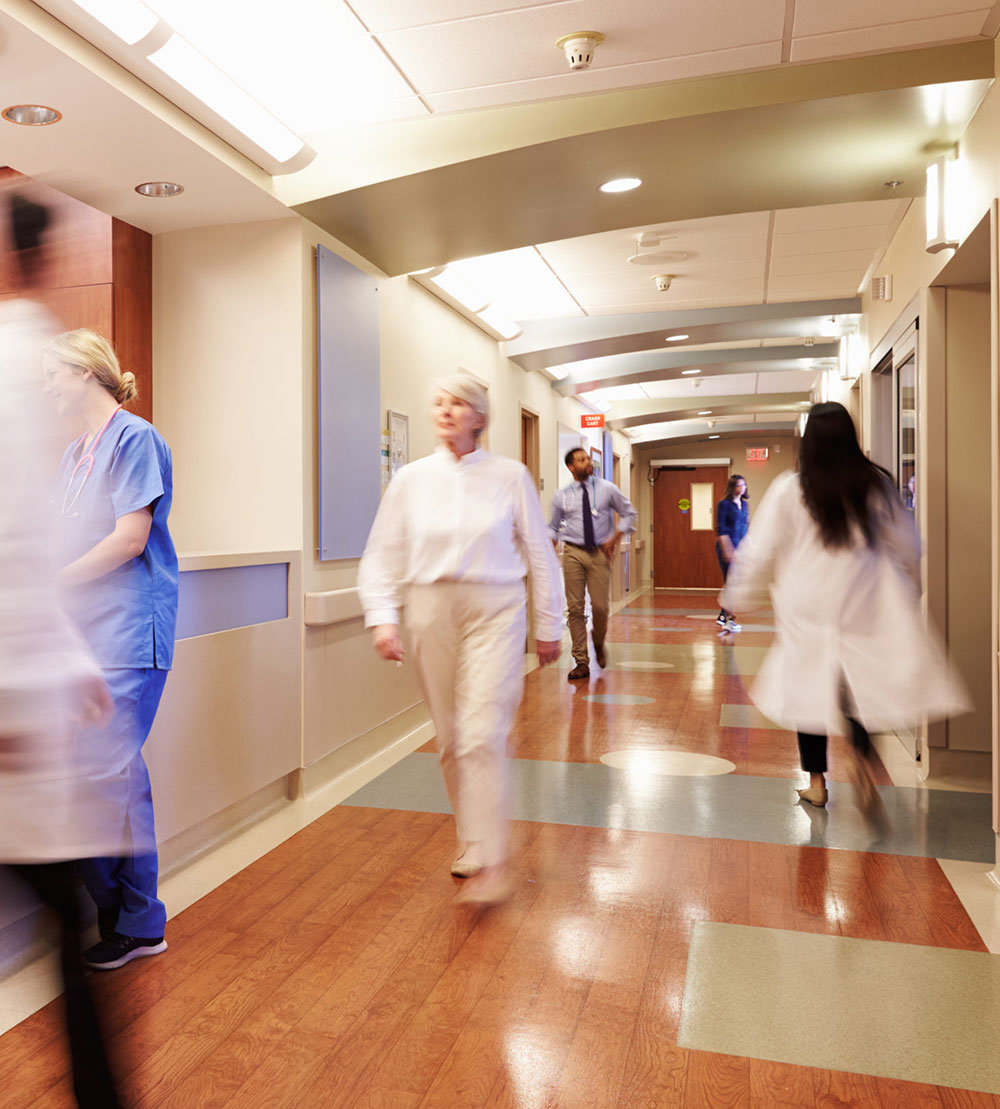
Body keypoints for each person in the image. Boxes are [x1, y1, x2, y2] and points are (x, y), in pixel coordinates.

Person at [0, 189, 123, 1106]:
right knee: (64, 917)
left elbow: (18, 545)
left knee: (62, 913)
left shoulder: (16, 364)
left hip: (18, 697)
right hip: (26, 690)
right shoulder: (24, 358)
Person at [358, 376, 563, 904]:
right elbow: (383, 552)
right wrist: (382, 617)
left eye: (460, 404)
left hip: (495, 606)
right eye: (440, 403)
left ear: (480, 417)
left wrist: (548, 624)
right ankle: (472, 839)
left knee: (482, 730)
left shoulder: (509, 475)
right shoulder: (411, 479)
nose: (447, 411)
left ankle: (492, 857)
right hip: (430, 608)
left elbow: (539, 552)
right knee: (451, 737)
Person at [721, 402, 967, 814]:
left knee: (808, 693)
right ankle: (862, 755)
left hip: (808, 603)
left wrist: (736, 598)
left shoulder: (790, 488)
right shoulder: (875, 484)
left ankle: (817, 783)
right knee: (856, 684)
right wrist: (909, 588)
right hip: (862, 597)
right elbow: (908, 544)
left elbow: (759, 550)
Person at [45, 328, 179, 969]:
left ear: (85, 371)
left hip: (128, 630)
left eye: (53, 373)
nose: (45, 387)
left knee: (105, 776)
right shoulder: (74, 453)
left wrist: (55, 582)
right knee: (103, 777)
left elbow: (131, 538)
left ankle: (134, 920)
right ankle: (123, 916)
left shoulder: (136, 438)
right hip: (83, 636)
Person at [548, 447, 637, 680]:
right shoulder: (562, 495)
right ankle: (581, 661)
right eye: (581, 460)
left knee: (599, 607)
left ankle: (598, 642)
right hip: (573, 553)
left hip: (600, 553)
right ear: (571, 467)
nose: (587, 462)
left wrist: (616, 537)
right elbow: (553, 525)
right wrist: (549, 539)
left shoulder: (607, 489)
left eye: (587, 458)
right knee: (575, 609)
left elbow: (629, 513)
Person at [715, 474, 749, 634]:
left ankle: (723, 616)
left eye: (743, 485)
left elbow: (745, 527)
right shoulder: (724, 505)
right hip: (726, 547)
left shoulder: (744, 505)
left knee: (734, 583)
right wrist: (728, 550)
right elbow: (721, 529)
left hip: (740, 548)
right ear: (732, 487)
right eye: (738, 485)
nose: (741, 488)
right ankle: (729, 619)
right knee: (731, 583)